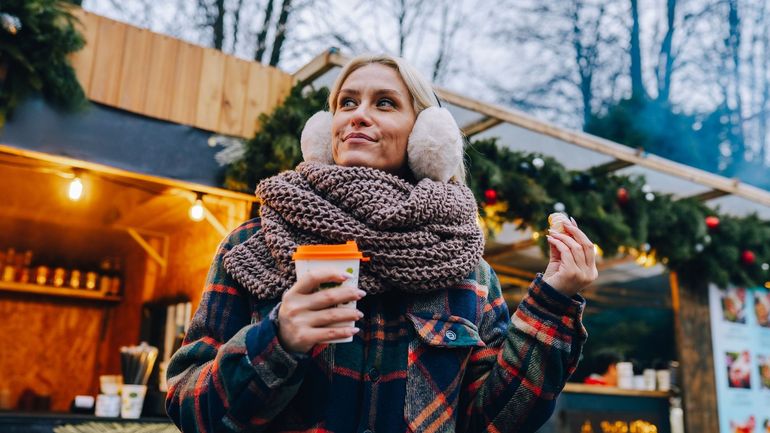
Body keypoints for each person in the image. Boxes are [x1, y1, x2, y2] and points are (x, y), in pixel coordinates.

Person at [165, 53, 596, 433]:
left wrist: (552, 302)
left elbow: (495, 421)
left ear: (426, 135)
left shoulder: (467, 271)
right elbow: (189, 408)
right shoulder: (254, 244)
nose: (358, 114)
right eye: (346, 102)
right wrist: (278, 340)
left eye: (384, 103)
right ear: (323, 131)